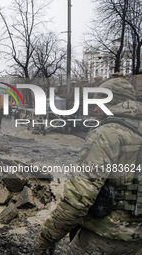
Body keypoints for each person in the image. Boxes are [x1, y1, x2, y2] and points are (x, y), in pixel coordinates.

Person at [35, 78, 142, 254]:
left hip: (103, 239)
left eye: (97, 103)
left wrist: (47, 237)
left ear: (109, 102)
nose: (94, 109)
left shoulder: (106, 135)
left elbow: (78, 198)